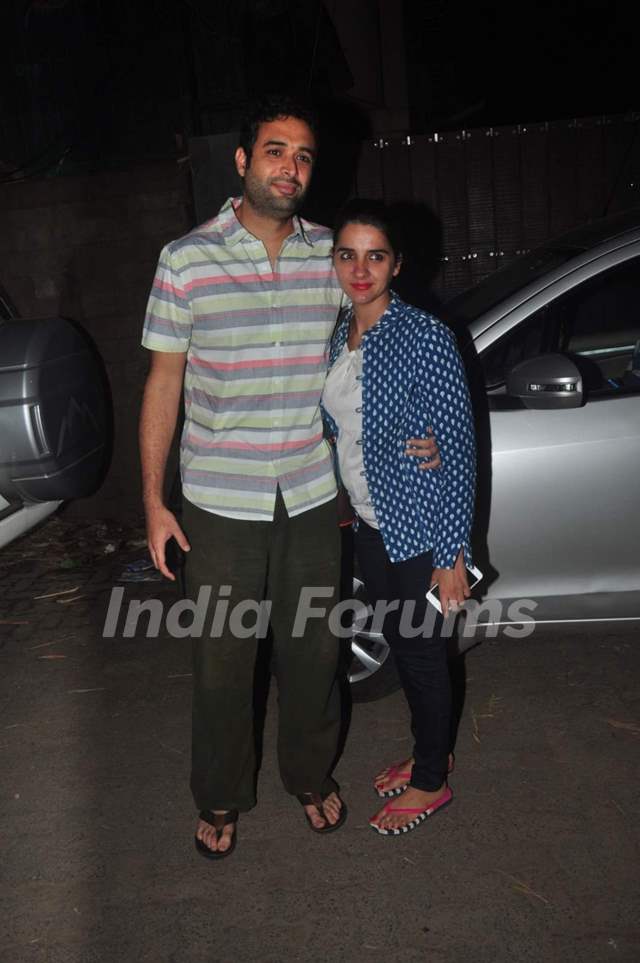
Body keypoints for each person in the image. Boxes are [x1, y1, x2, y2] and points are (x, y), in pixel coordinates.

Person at [139, 96, 440, 859]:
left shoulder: (330, 256)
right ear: (243, 162)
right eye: (275, 151)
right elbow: (164, 383)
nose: (290, 168)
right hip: (218, 499)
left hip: (310, 494)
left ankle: (310, 773)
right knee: (221, 661)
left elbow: (388, 323)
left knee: (312, 651)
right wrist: (152, 500)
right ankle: (219, 793)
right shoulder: (186, 259)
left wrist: (427, 424)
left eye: (304, 156)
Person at [321, 199, 476, 835]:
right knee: (410, 652)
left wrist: (451, 556)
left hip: (416, 532)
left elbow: (459, 452)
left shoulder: (423, 337)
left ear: (397, 264)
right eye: (348, 255)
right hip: (368, 526)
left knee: (419, 656)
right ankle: (426, 754)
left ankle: (432, 784)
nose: (360, 269)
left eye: (375, 256)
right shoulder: (339, 332)